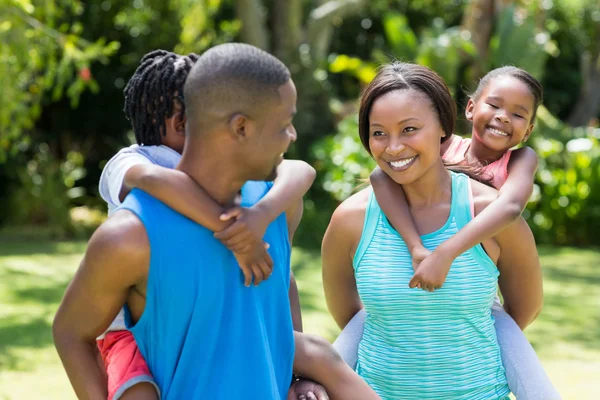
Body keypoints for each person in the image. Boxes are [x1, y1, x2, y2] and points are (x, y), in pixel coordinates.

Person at [54, 43, 378, 400]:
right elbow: (71, 333)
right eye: (283, 124)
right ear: (239, 127)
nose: (293, 135)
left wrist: (296, 375)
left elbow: (282, 286)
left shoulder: (280, 205)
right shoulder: (131, 235)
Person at [95, 49, 314, 399]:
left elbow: (299, 169)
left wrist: (260, 215)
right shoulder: (133, 160)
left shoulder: (233, 170)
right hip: (128, 332)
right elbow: (154, 180)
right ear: (184, 122)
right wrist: (238, 236)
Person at [333, 65, 561, 399]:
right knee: (336, 350)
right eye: (379, 133)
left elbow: (524, 303)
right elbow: (381, 177)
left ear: (441, 125)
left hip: (482, 376)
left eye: (409, 129)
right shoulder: (353, 217)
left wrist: (447, 257)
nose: (395, 147)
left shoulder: (509, 176)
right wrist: (416, 249)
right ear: (470, 109)